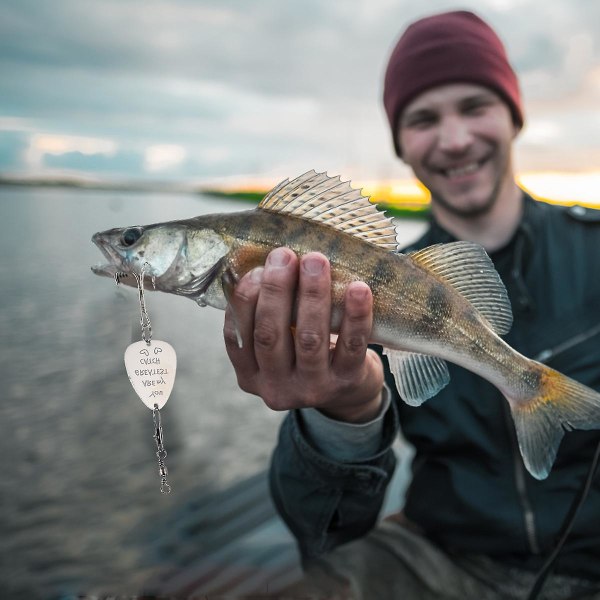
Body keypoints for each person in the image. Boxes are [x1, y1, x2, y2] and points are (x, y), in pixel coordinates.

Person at [223, 10, 600, 600]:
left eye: (474, 106)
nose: (454, 139)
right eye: (424, 119)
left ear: (512, 116)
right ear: (402, 143)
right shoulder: (356, 292)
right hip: (442, 556)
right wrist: (343, 415)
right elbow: (328, 534)